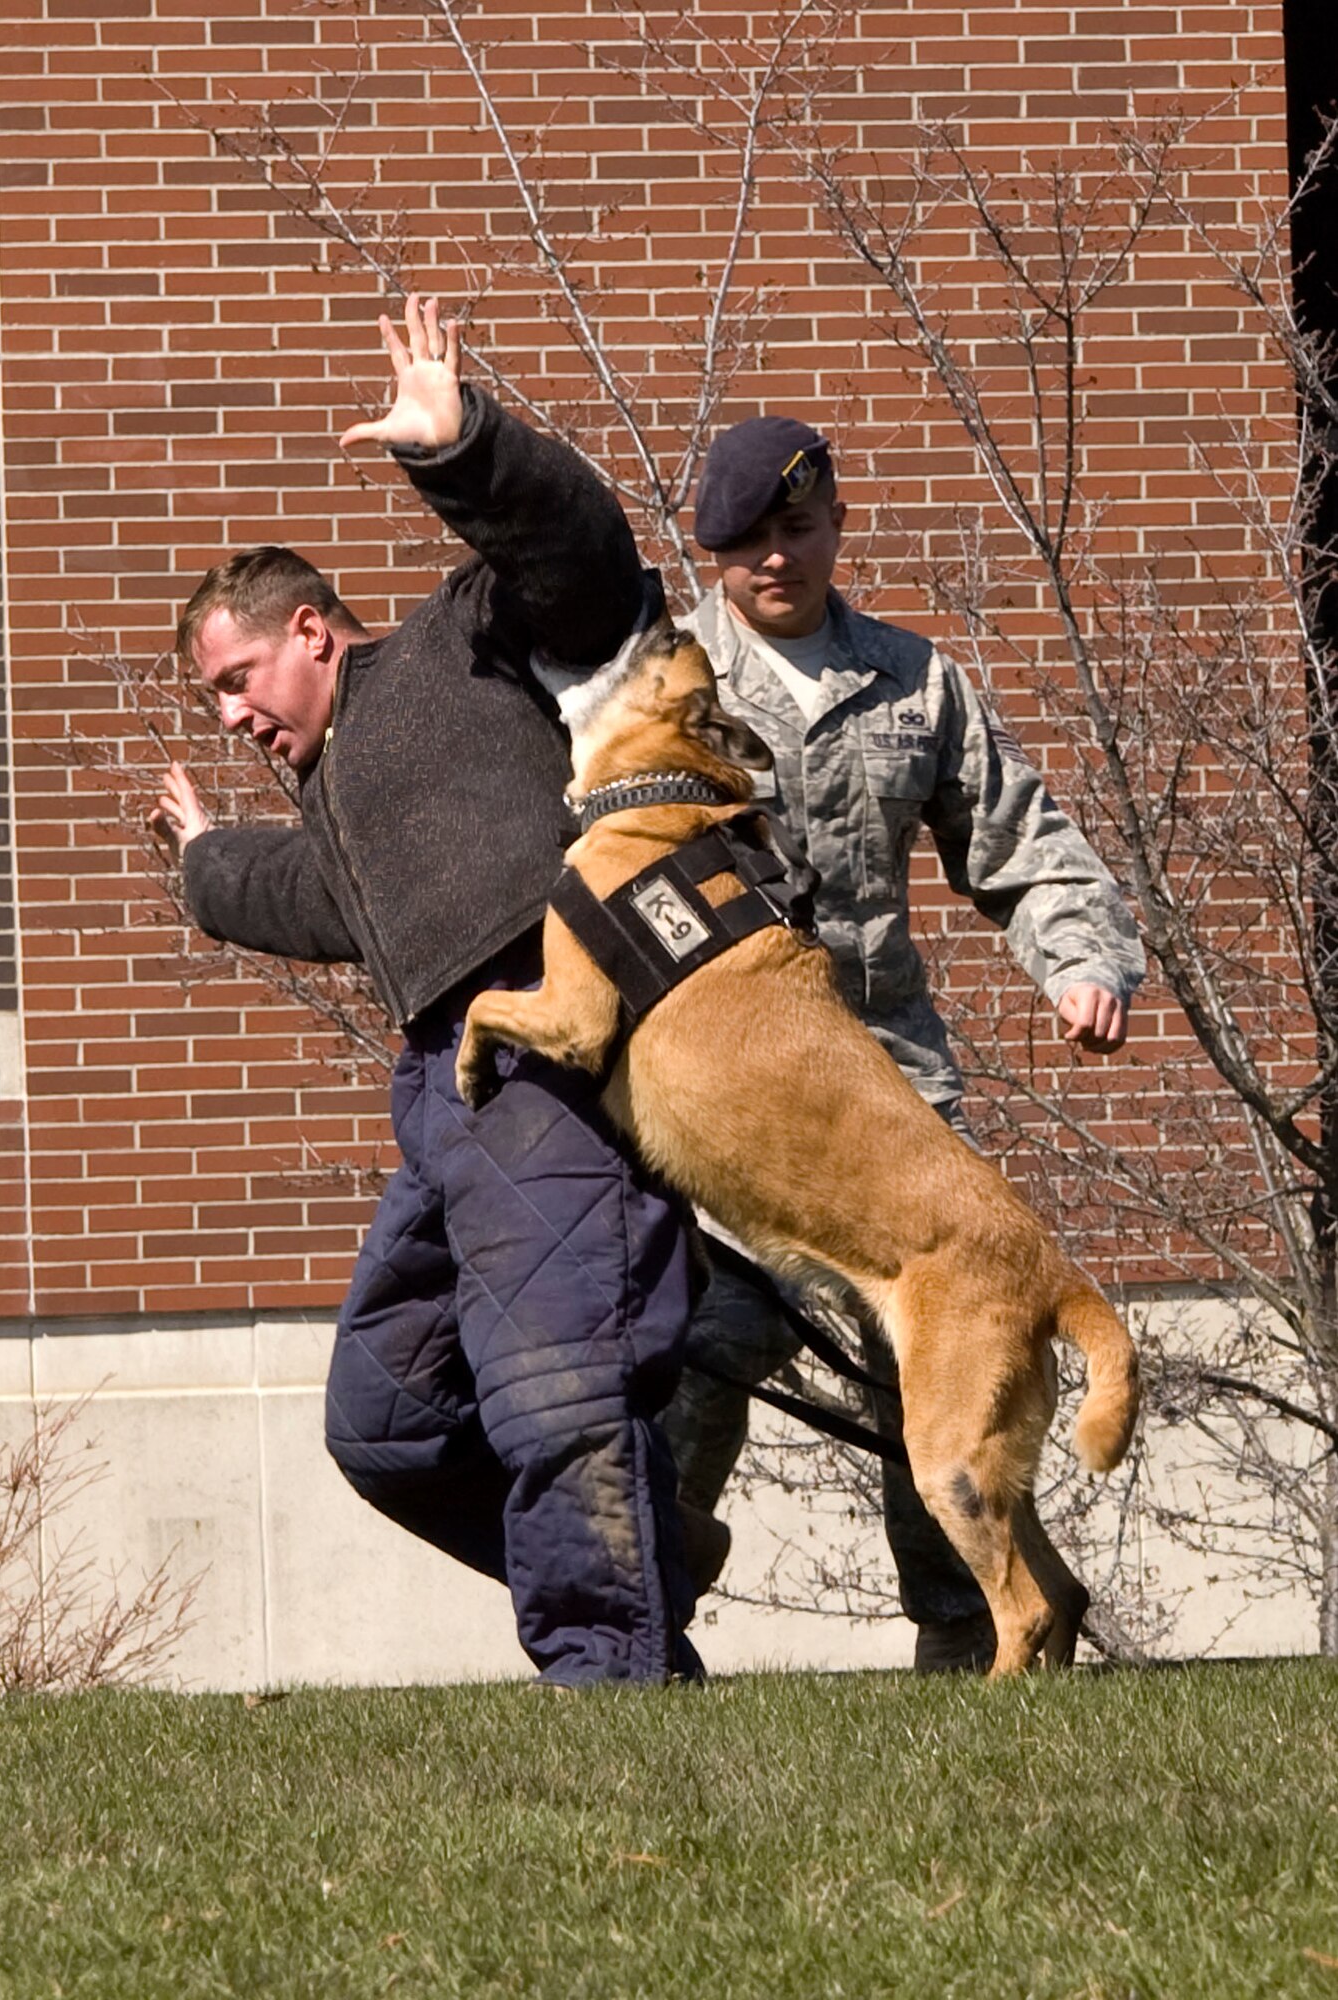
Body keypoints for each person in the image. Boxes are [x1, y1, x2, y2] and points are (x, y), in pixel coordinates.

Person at [151, 296, 703, 1688]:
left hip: (546, 1052)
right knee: (383, 1416)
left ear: (315, 632)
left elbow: (581, 564)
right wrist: (210, 866)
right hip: (441, 1097)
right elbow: (314, 900)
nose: (232, 716)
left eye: (236, 678)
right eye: (213, 701)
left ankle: (610, 1677)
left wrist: (465, 453)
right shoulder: (342, 804)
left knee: (552, 1387)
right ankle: (650, 1567)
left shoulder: (463, 647)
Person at [662, 415, 1146, 1673]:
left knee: (936, 1396)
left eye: (798, 527)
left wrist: (1081, 958)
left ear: (834, 524)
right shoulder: (670, 686)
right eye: (747, 539)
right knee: (691, 1374)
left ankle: (977, 1647)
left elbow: (1023, 843)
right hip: (745, 1118)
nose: (777, 557)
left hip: (895, 1103)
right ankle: (634, 1635)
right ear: (709, 549)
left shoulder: (914, 679)